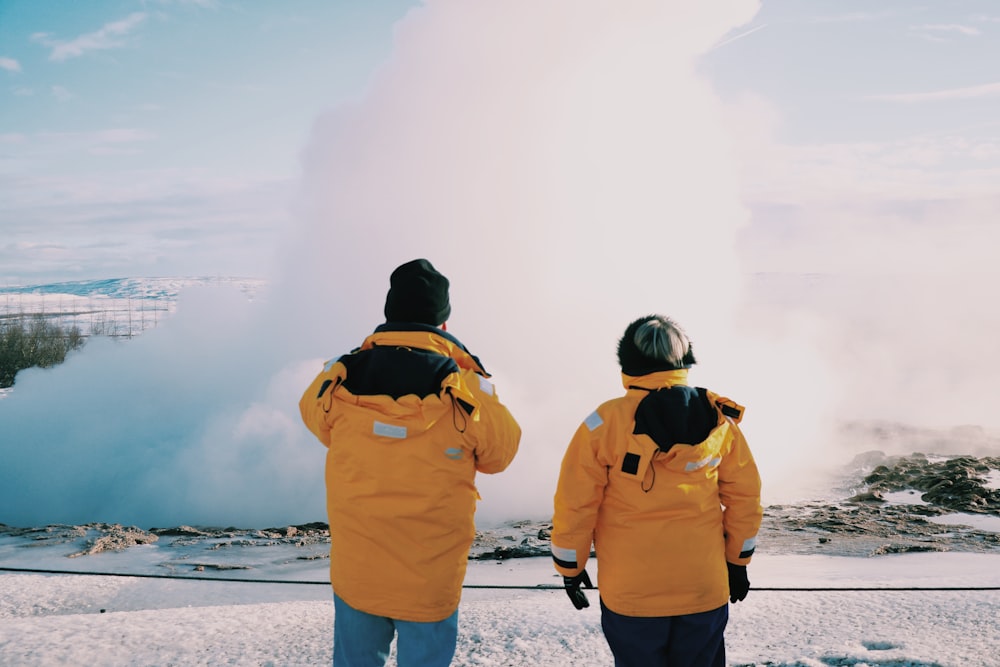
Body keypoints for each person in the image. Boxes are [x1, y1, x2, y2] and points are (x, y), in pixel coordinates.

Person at [299, 258, 521, 667]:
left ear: (389, 313)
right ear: (443, 324)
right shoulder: (466, 387)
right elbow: (499, 456)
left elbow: (317, 422)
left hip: (357, 570)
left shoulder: (338, 377)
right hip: (430, 575)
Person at [550, 314, 762, 667]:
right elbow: (746, 500)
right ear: (684, 358)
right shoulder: (719, 420)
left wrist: (570, 569)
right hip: (703, 589)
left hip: (631, 596)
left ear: (628, 361)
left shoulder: (603, 423)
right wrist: (737, 563)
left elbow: (575, 505)